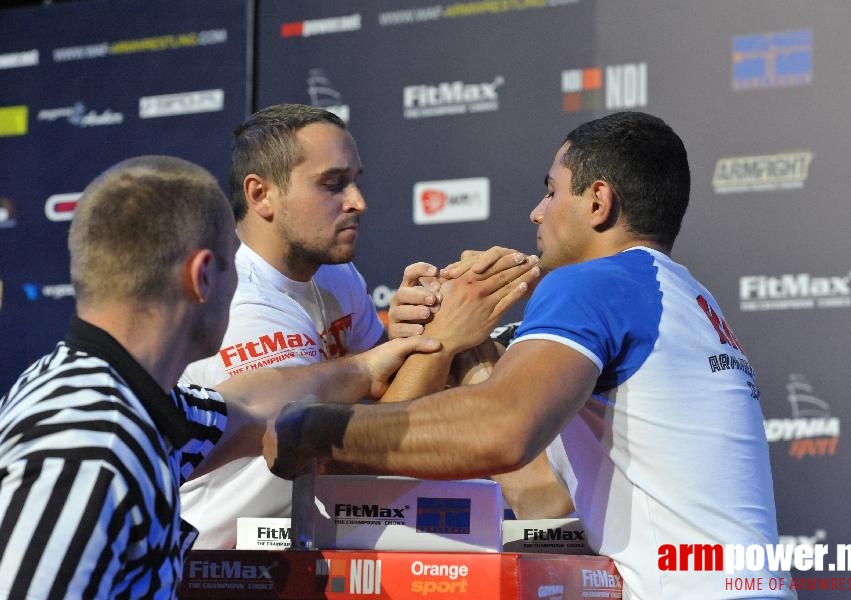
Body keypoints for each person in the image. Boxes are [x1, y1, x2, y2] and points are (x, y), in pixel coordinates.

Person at [263, 112, 795, 599]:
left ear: (597, 202)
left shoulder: (594, 283)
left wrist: (318, 429)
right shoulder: (678, 295)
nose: (536, 212)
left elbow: (500, 428)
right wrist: (463, 335)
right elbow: (542, 495)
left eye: (551, 191)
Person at [0, 155, 459, 599]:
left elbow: (251, 405)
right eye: (232, 264)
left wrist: (367, 364)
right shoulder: (87, 448)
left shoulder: (128, 401)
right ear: (202, 277)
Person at [178, 103, 539, 548]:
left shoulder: (335, 274)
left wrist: (412, 334)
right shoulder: (241, 303)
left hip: (312, 544)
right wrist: (442, 341)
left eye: (355, 181)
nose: (358, 202)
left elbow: (380, 397)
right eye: (332, 184)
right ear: (260, 195)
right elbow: (352, 451)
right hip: (226, 568)